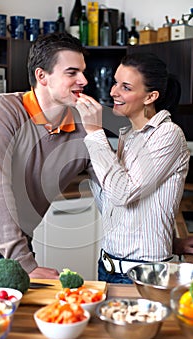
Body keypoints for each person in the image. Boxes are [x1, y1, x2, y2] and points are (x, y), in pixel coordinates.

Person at [0, 32, 97, 278]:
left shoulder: (84, 128)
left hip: (20, 248)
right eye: (72, 72)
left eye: (83, 71)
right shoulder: (3, 110)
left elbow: (114, 192)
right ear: (42, 76)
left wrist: (170, 242)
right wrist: (24, 263)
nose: (83, 80)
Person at [76, 52, 190, 283]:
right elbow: (112, 206)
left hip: (145, 275)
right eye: (116, 82)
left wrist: (95, 133)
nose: (113, 92)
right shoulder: (128, 136)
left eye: (125, 87)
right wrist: (91, 161)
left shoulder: (167, 134)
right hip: (107, 268)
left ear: (151, 97)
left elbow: (123, 194)